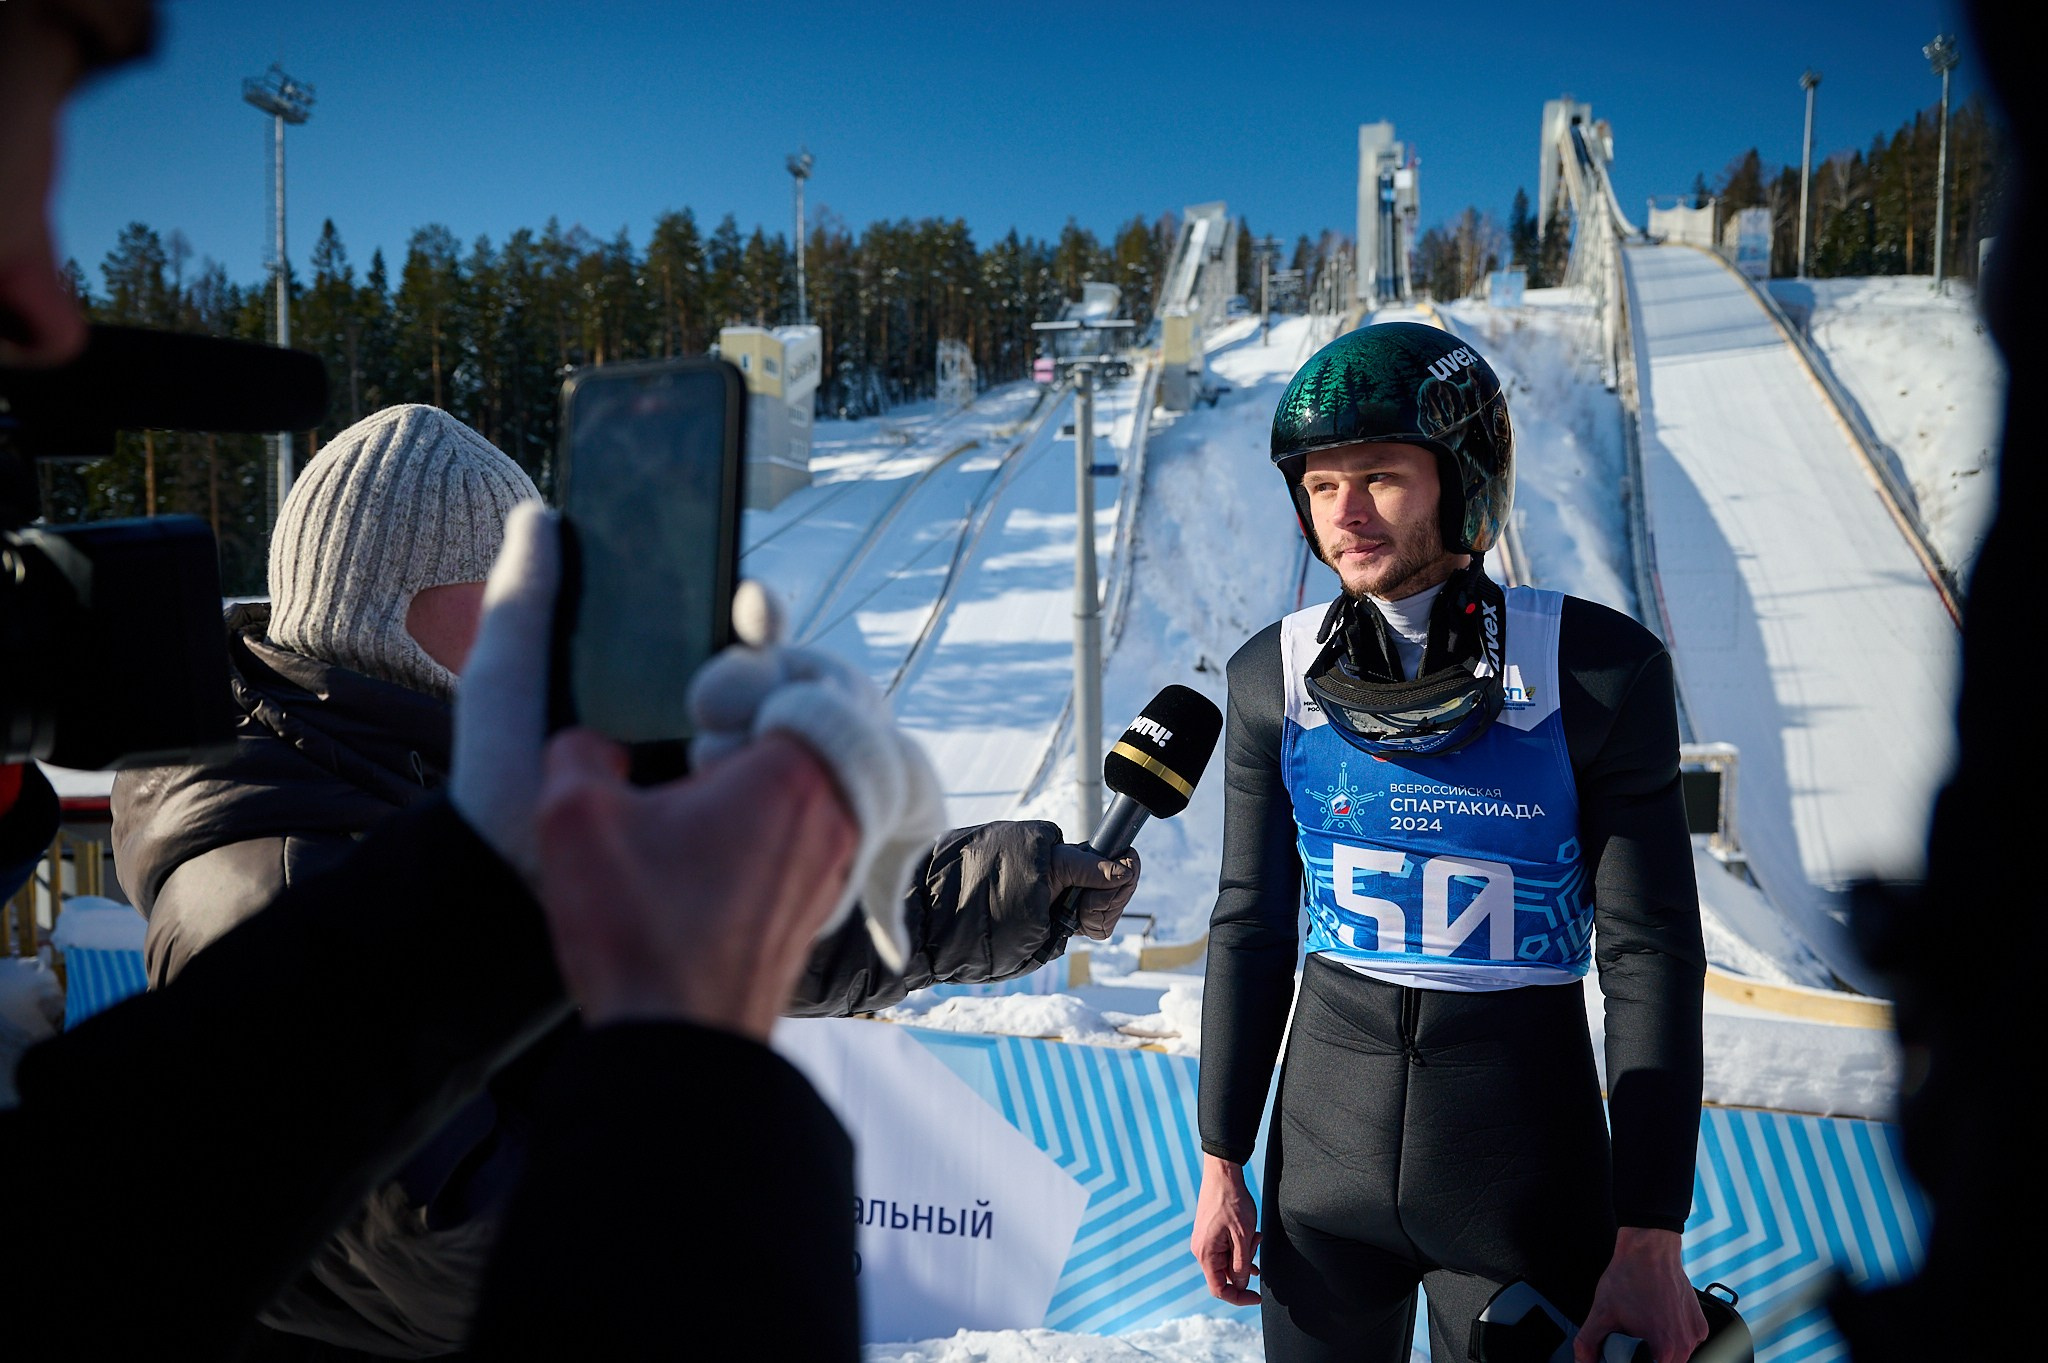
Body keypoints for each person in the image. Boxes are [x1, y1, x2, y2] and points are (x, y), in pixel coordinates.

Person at [1190, 323, 1709, 1363]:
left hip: (1518, 1180)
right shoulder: (1269, 674)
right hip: (1319, 1177)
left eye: (1380, 476)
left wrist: (1650, 1228)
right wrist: (1219, 1158)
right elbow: (1249, 922)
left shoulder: (1596, 672)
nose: (1343, 512)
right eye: (1320, 484)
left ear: (1461, 479)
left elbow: (1648, 951)